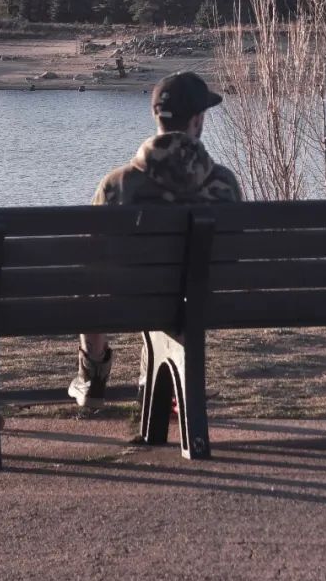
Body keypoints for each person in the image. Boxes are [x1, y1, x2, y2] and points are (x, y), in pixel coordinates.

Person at [67, 70, 242, 406]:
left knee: (93, 275)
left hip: (130, 303)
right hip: (205, 303)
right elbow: (235, 254)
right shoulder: (224, 185)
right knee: (191, 282)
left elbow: (88, 256)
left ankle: (92, 374)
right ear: (196, 120)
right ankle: (168, 378)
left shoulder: (117, 185)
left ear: (156, 117)